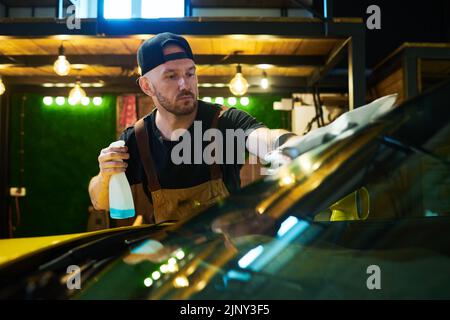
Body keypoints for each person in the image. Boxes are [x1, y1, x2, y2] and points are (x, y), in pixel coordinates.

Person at [88, 32, 298, 225]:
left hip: (222, 254)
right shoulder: (137, 138)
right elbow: (99, 201)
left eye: (190, 74)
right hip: (172, 255)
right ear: (146, 86)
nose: (185, 84)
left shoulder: (225, 121)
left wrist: (293, 146)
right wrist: (105, 175)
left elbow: (266, 138)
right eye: (171, 76)